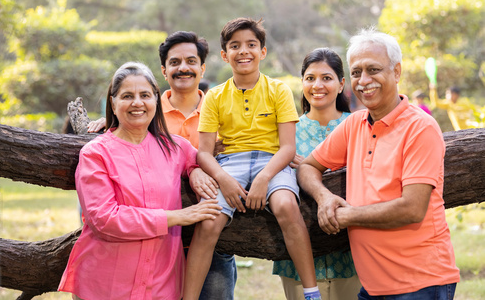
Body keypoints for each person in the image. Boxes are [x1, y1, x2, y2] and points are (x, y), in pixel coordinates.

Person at [298, 28, 460, 299]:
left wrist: (346, 216)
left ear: (396, 72)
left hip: (421, 284)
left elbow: (412, 208)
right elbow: (307, 166)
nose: (364, 80)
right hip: (373, 287)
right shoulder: (354, 125)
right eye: (357, 72)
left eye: (373, 70)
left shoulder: (420, 128)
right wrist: (324, 198)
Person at [87, 31, 238, 299]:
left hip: (206, 241)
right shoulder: (141, 125)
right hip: (140, 251)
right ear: (164, 70)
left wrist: (196, 169)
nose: (183, 68)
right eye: (175, 62)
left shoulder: (222, 113)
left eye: (191, 61)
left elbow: (198, 157)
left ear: (202, 68)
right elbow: (103, 215)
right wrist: (111, 123)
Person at [58, 62, 222, 299]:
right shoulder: (96, 153)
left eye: (145, 95)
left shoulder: (174, 147)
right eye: (127, 96)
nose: (137, 102)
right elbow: (103, 218)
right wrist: (178, 217)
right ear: (113, 104)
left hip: (161, 284)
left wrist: (194, 169)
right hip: (106, 285)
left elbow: (193, 157)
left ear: (156, 100)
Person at [184, 17, 320, 300]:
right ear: (224, 55)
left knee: (285, 205)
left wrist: (264, 178)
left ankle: (311, 292)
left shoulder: (278, 89)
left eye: (251, 45)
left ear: (263, 52)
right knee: (208, 222)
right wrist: (224, 180)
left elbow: (287, 148)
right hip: (230, 163)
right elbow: (204, 153)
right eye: (235, 46)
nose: (243, 51)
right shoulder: (214, 96)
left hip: (272, 161)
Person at [272, 48, 361, 300]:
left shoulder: (359, 126)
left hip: (353, 257)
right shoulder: (286, 134)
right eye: (310, 78)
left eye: (326, 77)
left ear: (342, 83)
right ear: (302, 83)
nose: (317, 85)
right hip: (298, 264)